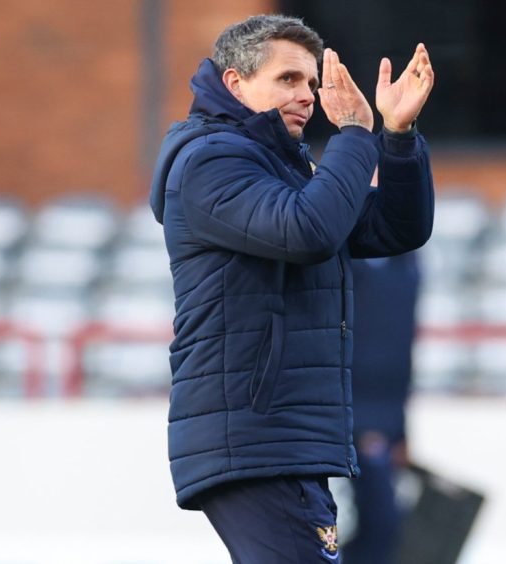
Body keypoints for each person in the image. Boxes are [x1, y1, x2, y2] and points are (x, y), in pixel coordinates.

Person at [148, 14, 435, 563]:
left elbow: (397, 229)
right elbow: (309, 230)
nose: (307, 96)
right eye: (287, 80)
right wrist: (354, 134)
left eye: (309, 82)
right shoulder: (210, 160)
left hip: (282, 438)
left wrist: (395, 138)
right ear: (235, 84)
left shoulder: (279, 167)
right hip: (257, 435)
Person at [345, 252, 421, 564]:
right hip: (356, 413)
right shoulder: (347, 263)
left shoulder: (408, 265)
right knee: (382, 522)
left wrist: (401, 430)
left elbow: (402, 350)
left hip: (386, 416)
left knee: (386, 525)